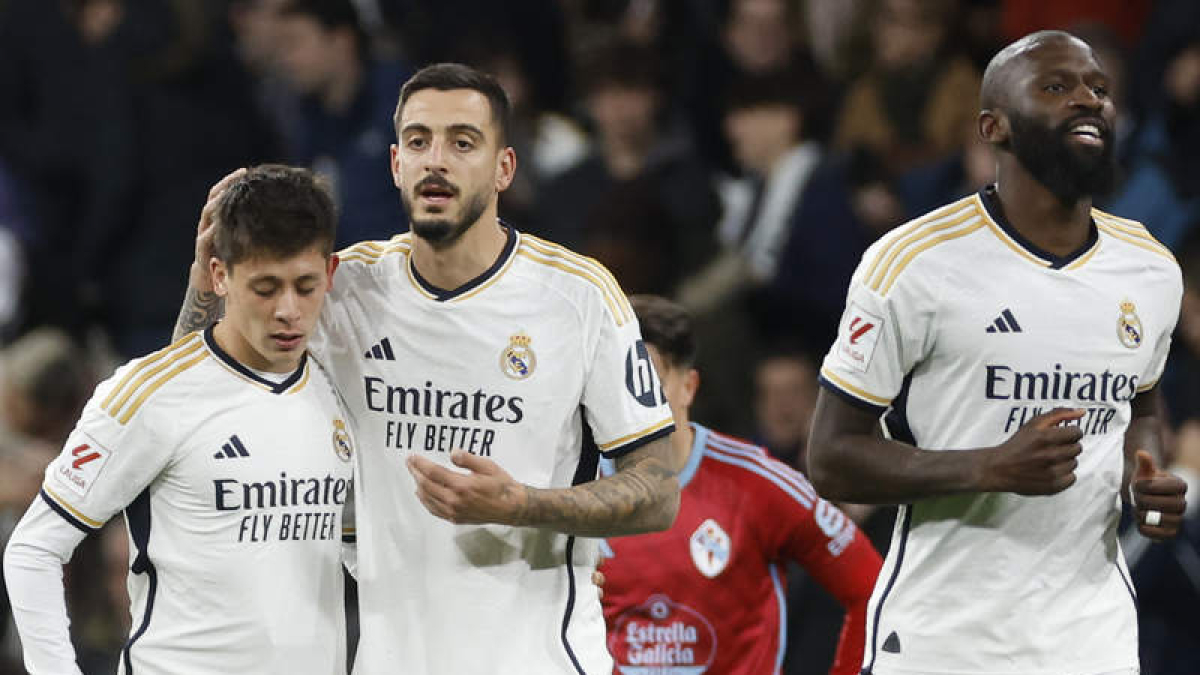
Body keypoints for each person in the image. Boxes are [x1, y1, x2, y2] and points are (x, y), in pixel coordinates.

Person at [174, 63, 680, 674]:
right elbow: (191, 406)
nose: (435, 159)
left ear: (504, 169)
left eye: (462, 142)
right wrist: (205, 283)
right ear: (395, 164)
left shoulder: (578, 296)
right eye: (418, 141)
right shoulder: (344, 289)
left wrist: (521, 505)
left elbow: (658, 489)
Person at [807, 31, 1189, 675]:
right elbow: (830, 459)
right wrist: (987, 467)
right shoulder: (913, 263)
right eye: (1057, 86)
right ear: (995, 127)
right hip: (944, 640)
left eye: (1098, 88)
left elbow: (1142, 409)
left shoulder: (1149, 268)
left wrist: (1142, 478)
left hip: (1091, 640)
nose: (1088, 100)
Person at [4, 165, 354, 674]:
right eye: (264, 287)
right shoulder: (147, 394)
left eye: (305, 286)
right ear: (219, 275)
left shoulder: (336, 388)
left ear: (330, 274)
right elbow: (33, 548)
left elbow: (358, 548)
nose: (288, 310)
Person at [598, 295, 881, 675]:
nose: (632, 401)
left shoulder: (758, 484)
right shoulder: (571, 490)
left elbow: (870, 590)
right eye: (619, 383)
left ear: (688, 387)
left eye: (648, 383)